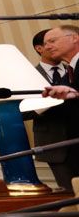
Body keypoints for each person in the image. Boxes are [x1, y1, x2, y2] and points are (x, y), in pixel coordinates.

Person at [26, 30, 73, 190]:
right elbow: (21, 112)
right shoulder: (28, 75)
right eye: (51, 42)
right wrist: (47, 102)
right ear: (40, 48)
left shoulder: (73, 69)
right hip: (54, 145)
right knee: (70, 195)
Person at [39, 25, 79, 191]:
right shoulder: (67, 74)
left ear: (74, 38)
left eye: (52, 41)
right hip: (69, 146)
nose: (47, 47)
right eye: (45, 43)